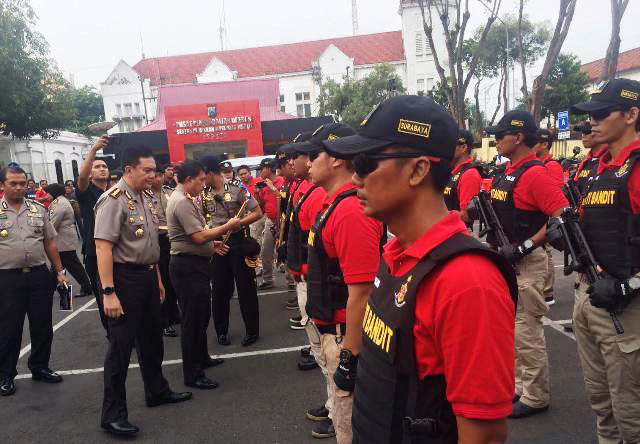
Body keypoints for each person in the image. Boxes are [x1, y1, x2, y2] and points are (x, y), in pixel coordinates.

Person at [322, 94, 518, 444]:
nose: (354, 180)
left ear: (417, 170)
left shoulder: (467, 281)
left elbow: (484, 434)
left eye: (365, 164)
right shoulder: (395, 252)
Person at [94, 146, 192, 436]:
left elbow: (150, 244)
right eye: (146, 170)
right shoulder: (113, 200)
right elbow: (103, 247)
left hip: (148, 275)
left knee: (152, 338)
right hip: (124, 280)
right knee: (121, 348)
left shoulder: (145, 197)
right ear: (128, 170)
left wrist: (157, 278)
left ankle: (157, 390)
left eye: (153, 170)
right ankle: (112, 415)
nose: (152, 175)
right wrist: (109, 291)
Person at [298, 122, 384, 442]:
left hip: (344, 334)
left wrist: (349, 356)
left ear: (335, 158)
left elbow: (362, 292)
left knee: (350, 427)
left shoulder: (349, 211)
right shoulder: (333, 204)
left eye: (314, 155)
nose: (308, 163)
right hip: (332, 329)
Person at [567, 78, 640, 443]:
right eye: (590, 115)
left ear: (631, 115)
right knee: (601, 401)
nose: (592, 122)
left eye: (601, 114)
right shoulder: (599, 168)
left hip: (626, 305)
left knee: (631, 411)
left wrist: (630, 284)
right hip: (589, 295)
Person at [485, 110, 568, 418]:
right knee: (513, 332)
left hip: (527, 263)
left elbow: (562, 216)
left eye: (500, 135)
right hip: (507, 261)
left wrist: (526, 245)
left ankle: (535, 395)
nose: (495, 141)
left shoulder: (534, 174)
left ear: (518, 137)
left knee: (526, 331)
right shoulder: (507, 171)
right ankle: (521, 387)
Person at [166, 160, 240, 390]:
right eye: (200, 180)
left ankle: (202, 358)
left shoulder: (185, 198)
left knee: (200, 316)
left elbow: (195, 236)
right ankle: (193, 373)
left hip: (194, 264)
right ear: (188, 180)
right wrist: (228, 226)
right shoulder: (181, 201)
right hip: (187, 266)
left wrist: (211, 244)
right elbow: (198, 237)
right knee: (191, 320)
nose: (203, 184)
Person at [0, 165, 69, 397]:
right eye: (13, 183)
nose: (19, 188)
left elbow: (50, 243)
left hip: (39, 275)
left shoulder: (38, 209)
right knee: (9, 328)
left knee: (42, 325)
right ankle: (6, 375)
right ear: (2, 185)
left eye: (22, 183)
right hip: (7, 279)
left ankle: (40, 367)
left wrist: (60, 272)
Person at [200, 155, 263, 347]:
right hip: (217, 244)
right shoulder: (203, 193)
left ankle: (252, 331)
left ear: (211, 173)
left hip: (237, 242)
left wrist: (239, 223)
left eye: (203, 175)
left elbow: (257, 212)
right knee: (219, 290)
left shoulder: (237, 187)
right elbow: (200, 220)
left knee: (246, 288)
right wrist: (212, 242)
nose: (201, 179)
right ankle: (221, 331)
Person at [76, 135, 111, 331]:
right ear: (90, 174)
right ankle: (112, 334)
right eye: (97, 167)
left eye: (104, 166)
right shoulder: (87, 192)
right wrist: (93, 151)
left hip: (116, 251)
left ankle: (124, 333)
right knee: (104, 295)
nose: (102, 168)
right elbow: (81, 178)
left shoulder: (114, 192)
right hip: (94, 252)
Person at [45, 184, 93, 297]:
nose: (46, 195)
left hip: (63, 241)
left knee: (72, 266)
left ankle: (86, 287)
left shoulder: (59, 204)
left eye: (48, 193)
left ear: (54, 192)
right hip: (62, 240)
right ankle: (48, 289)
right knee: (58, 266)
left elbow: (52, 223)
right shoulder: (58, 202)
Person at [533, 129, 562, 306]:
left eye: (535, 142)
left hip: (546, 216)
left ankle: (547, 291)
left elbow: (556, 194)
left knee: (546, 253)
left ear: (544, 144)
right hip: (536, 216)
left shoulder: (551, 165)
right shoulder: (535, 164)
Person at [149, 168, 180, 337]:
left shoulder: (170, 192)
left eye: (160, 175)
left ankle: (174, 314)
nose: (158, 179)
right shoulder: (144, 195)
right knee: (159, 282)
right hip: (155, 241)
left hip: (172, 240)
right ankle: (164, 321)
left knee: (172, 279)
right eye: (155, 176)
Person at [255, 158, 285, 289]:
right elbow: (261, 205)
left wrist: (273, 188)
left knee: (285, 251)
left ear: (268, 169)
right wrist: (257, 193)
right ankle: (268, 280)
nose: (259, 173)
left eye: (261, 170)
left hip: (283, 221)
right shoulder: (263, 185)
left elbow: (284, 200)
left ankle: (292, 281)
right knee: (265, 251)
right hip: (270, 220)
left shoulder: (282, 181)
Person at [443, 129, 482, 226]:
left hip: (458, 231)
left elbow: (466, 215)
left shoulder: (469, 174)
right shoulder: (452, 171)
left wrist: (437, 216)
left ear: (464, 147)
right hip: (446, 229)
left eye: (450, 144)